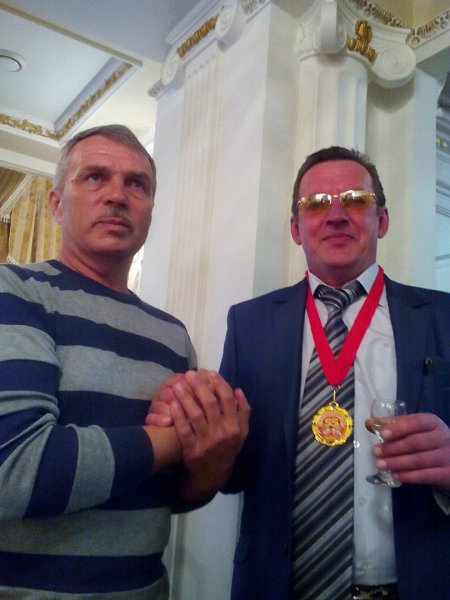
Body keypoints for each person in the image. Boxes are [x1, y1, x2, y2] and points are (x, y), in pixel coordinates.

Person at [0, 124, 249, 599]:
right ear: (56, 204)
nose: (117, 195)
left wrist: (211, 465)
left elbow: (163, 497)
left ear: (151, 209)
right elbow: (15, 472)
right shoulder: (13, 291)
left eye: (137, 184)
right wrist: (176, 439)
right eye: (95, 176)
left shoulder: (172, 335)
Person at [216, 147, 450, 600]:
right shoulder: (249, 323)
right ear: (295, 228)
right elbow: (232, 471)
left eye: (355, 200)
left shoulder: (443, 316)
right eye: (316, 203)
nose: (336, 215)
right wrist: (210, 448)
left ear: (382, 220)